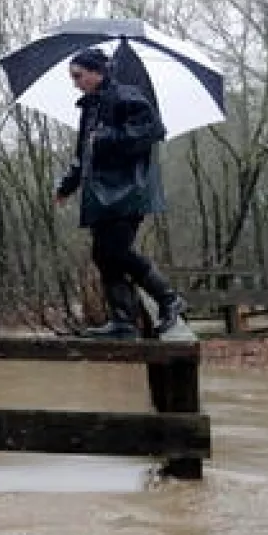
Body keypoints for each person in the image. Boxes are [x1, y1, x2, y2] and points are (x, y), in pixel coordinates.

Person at [54, 48, 187, 339]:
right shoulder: (90, 107)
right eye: (72, 77)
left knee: (116, 251)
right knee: (103, 255)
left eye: (78, 76)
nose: (75, 82)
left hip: (127, 192)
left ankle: (167, 298)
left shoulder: (127, 96)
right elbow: (83, 154)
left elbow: (152, 130)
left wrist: (108, 137)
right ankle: (123, 322)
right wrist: (67, 185)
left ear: (96, 71)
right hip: (100, 197)